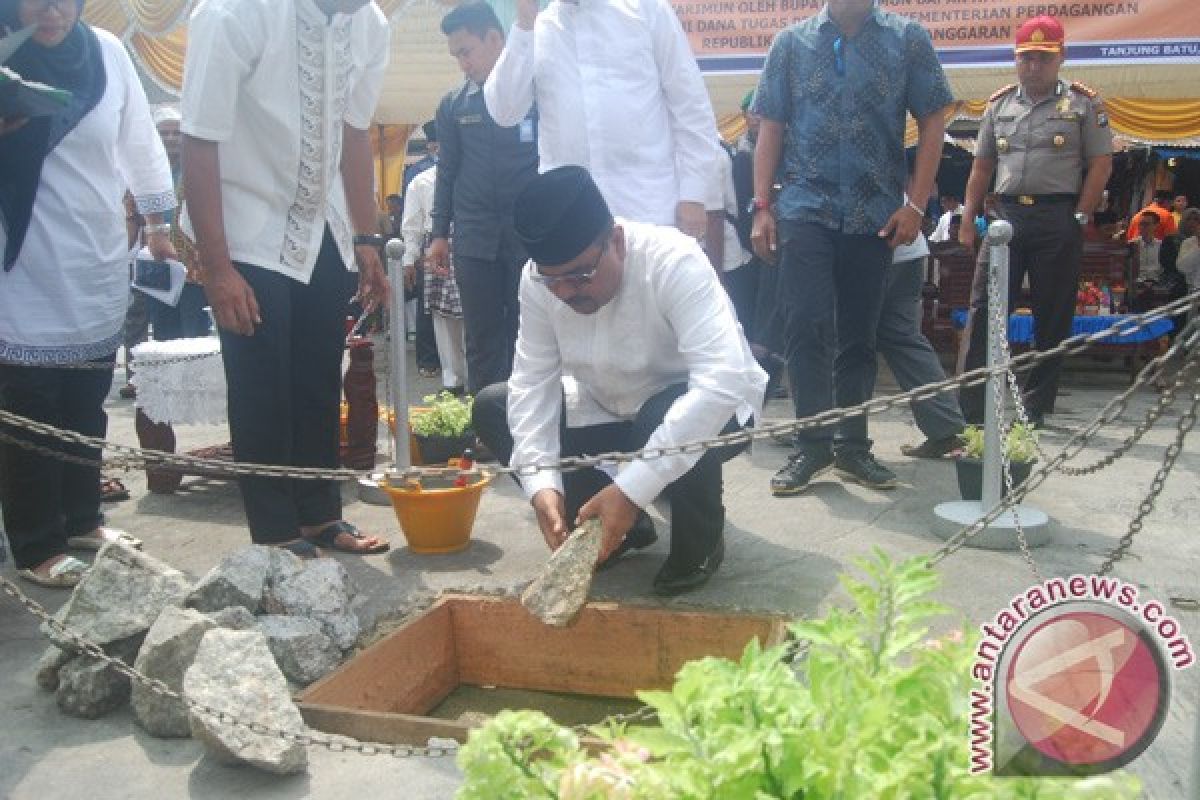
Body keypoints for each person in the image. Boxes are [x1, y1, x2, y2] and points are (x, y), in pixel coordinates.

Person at [472, 166, 766, 595]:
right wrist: (540, 485)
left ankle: (699, 542)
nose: (567, 293)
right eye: (553, 281)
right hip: (609, 405)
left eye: (581, 275)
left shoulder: (674, 259)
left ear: (617, 242)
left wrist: (631, 491)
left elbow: (721, 383)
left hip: (714, 412)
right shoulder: (538, 283)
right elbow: (531, 383)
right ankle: (618, 529)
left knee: (661, 415)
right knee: (493, 406)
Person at [180, 0, 391, 557]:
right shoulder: (231, 15)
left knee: (320, 374)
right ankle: (274, 532)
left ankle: (321, 515)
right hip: (243, 226)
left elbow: (353, 134)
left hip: (322, 225)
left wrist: (366, 239)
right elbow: (198, 140)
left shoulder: (370, 25)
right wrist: (218, 267)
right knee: (262, 382)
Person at [0, 0, 171, 587]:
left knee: (84, 397)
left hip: (93, 251)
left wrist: (158, 221)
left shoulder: (107, 52)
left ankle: (81, 519)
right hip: (19, 263)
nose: (50, 12)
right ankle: (35, 544)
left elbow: (139, 139)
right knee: (29, 407)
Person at [752, 0, 953, 496]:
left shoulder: (908, 39)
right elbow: (770, 127)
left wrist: (916, 204)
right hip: (804, 208)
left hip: (875, 213)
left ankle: (853, 447)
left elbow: (934, 120)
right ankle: (813, 447)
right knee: (806, 325)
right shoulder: (790, 43)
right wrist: (761, 206)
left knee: (860, 336)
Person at [958, 14, 1113, 429]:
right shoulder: (999, 104)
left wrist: (1080, 214)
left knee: (1053, 313)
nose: (1034, 66)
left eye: (1043, 58)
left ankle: (1035, 408)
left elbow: (1100, 165)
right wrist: (967, 219)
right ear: (1016, 59)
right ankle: (971, 408)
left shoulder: (1084, 104)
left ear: (1060, 57)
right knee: (985, 310)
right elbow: (981, 166)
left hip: (1057, 216)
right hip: (1006, 216)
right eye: (1026, 58)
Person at [483, 0, 720, 236]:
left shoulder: (646, 9)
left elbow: (690, 104)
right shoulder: (539, 30)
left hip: (649, 211)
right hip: (570, 221)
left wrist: (694, 195)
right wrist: (525, 25)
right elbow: (504, 112)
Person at [429, 2, 539, 395]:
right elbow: (447, 171)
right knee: (481, 339)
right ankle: (487, 430)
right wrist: (438, 234)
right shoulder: (453, 105)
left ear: (495, 39)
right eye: (455, 55)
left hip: (529, 237)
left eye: (466, 51)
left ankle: (533, 426)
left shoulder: (535, 92)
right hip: (474, 241)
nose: (462, 63)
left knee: (532, 335)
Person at [885, 229, 966, 457]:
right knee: (904, 339)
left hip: (874, 248)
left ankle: (819, 431)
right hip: (907, 247)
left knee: (840, 339)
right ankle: (946, 428)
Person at [140, 106, 211, 341]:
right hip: (158, 266)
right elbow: (132, 218)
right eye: (164, 133)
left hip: (195, 269)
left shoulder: (200, 170)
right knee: (163, 336)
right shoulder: (144, 172)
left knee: (194, 338)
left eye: (176, 133)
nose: (170, 138)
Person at [401, 154, 466, 394]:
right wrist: (408, 259)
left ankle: (474, 378)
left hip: (471, 242)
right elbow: (411, 224)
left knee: (476, 312)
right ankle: (453, 380)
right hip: (437, 246)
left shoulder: (472, 175)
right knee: (441, 315)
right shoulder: (421, 181)